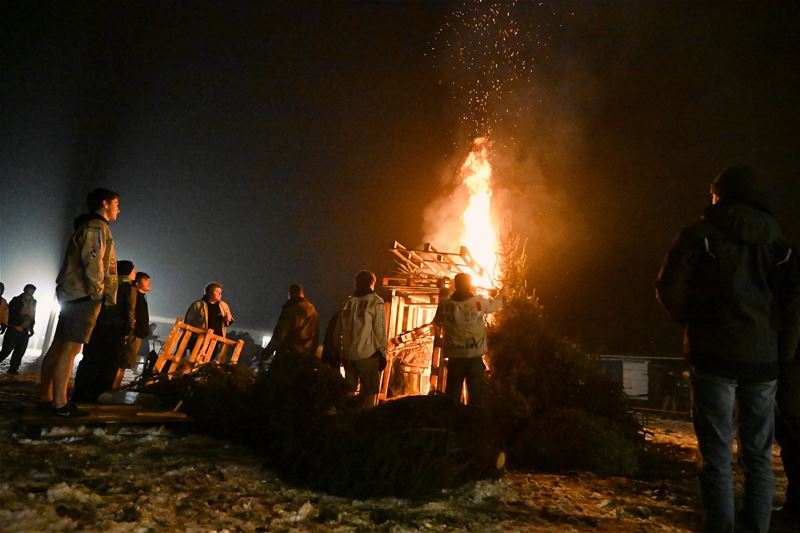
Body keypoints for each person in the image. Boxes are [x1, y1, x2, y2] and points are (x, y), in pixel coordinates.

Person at [655, 165, 800, 533]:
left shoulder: (698, 235)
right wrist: (782, 355)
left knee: (716, 456)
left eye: (714, 193)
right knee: (759, 457)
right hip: (763, 363)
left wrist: (695, 322)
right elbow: (792, 306)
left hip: (713, 357)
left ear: (721, 194)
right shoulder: (779, 244)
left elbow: (668, 288)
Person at [40, 187, 120, 416]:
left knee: (58, 346)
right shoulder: (96, 227)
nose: (118, 210)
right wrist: (97, 292)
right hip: (83, 295)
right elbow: (94, 261)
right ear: (105, 203)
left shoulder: (87, 225)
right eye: (116, 204)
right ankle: (60, 404)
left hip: (72, 293)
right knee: (71, 348)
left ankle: (46, 398)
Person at [433, 273, 503, 407]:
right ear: (469, 285)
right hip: (474, 359)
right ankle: (473, 419)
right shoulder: (478, 302)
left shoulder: (444, 305)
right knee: (477, 400)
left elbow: (437, 323)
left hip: (454, 360)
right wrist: (503, 293)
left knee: (451, 401)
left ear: (455, 285)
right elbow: (495, 305)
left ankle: (452, 419)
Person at [72, 260, 137, 402]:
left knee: (90, 361)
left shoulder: (107, 283)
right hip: (116, 330)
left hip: (97, 327)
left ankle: (80, 393)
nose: (135, 273)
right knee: (108, 364)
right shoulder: (128, 287)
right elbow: (129, 310)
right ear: (127, 271)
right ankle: (99, 395)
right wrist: (128, 329)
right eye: (133, 270)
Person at [334, 270, 387, 407]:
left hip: (348, 356)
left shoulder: (346, 303)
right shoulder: (376, 302)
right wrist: (382, 353)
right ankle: (367, 417)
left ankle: (348, 416)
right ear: (372, 284)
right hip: (368, 355)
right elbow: (380, 330)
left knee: (349, 391)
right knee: (370, 393)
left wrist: (339, 352)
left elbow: (338, 330)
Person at [259, 283, 319, 372]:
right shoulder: (314, 312)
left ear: (290, 294)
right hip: (304, 361)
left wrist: (265, 354)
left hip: (286, 359)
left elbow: (279, 334)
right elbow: (315, 339)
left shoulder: (291, 309)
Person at [184, 283, 234, 360]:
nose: (220, 294)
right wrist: (186, 341)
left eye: (220, 292)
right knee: (194, 362)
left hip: (215, 342)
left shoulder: (224, 305)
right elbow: (188, 323)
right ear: (209, 292)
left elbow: (228, 321)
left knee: (207, 363)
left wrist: (228, 319)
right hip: (198, 341)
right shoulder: (198, 305)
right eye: (217, 291)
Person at [119, 271, 151, 378]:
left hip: (138, 334)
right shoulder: (134, 296)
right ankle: (114, 385)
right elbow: (130, 312)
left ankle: (115, 384)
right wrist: (132, 327)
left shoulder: (141, 297)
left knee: (125, 364)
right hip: (133, 334)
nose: (148, 283)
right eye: (145, 280)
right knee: (122, 364)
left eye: (148, 280)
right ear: (137, 283)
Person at [0, 284, 37, 375]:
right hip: (14, 328)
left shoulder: (33, 302)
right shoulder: (16, 300)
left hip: (25, 330)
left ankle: (13, 369)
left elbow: (33, 315)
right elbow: (10, 313)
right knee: (6, 350)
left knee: (20, 351)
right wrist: (11, 325)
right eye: (30, 290)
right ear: (25, 289)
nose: (31, 292)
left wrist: (31, 327)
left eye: (33, 290)